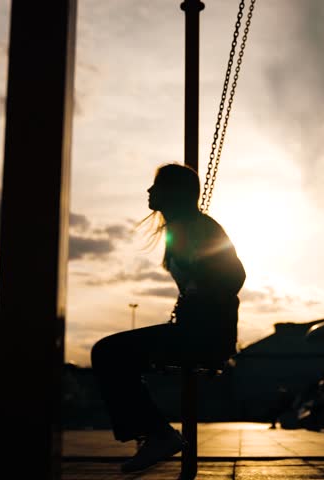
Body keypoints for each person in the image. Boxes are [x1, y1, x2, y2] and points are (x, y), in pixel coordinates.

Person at [91, 163, 246, 473]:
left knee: (109, 352)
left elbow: (235, 275)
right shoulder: (180, 230)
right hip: (195, 330)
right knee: (113, 354)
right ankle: (154, 433)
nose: (149, 191)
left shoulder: (198, 227)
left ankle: (157, 434)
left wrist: (202, 288)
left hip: (205, 334)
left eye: (157, 185)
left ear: (175, 192)